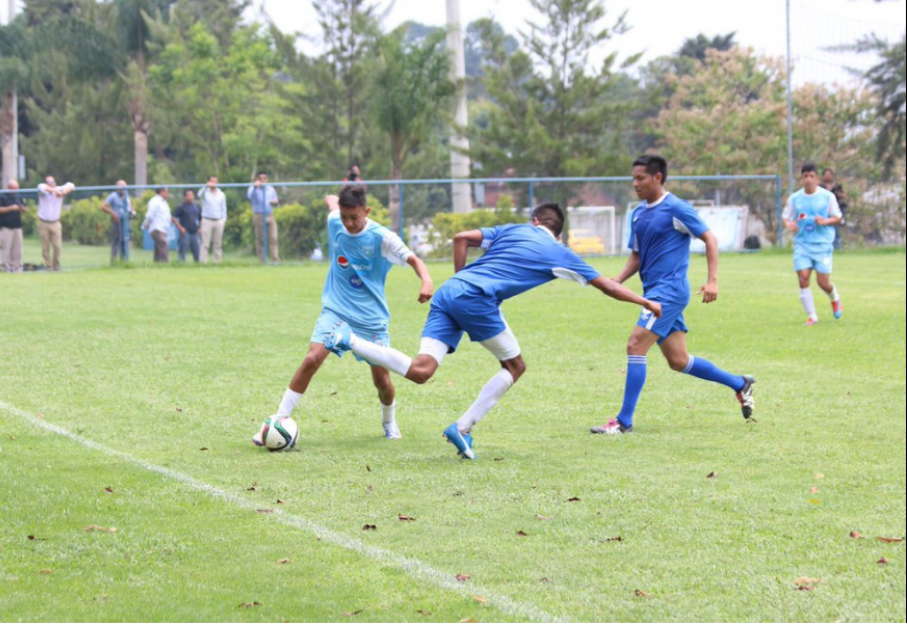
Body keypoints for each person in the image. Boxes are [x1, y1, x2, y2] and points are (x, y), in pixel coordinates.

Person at [323, 202, 661, 459]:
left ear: (535, 221)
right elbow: (608, 286)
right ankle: (462, 427)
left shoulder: (513, 229)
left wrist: (460, 277)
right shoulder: (559, 252)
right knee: (516, 367)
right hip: (475, 299)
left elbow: (461, 238)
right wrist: (646, 303)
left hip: (450, 292)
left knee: (421, 371)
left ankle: (350, 340)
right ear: (557, 232)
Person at [252, 185, 434, 447]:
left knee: (382, 380)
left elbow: (415, 260)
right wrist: (333, 200)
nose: (348, 223)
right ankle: (279, 419)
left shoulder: (383, 237)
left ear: (366, 211)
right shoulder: (335, 219)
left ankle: (389, 421)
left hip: (370, 319)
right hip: (336, 311)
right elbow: (331, 203)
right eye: (344, 216)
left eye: (354, 217)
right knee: (312, 359)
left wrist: (426, 281)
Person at [588, 155, 756, 436]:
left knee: (635, 345)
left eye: (640, 178)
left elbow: (710, 239)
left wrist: (712, 280)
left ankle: (623, 422)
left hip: (669, 292)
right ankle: (740, 383)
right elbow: (638, 256)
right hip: (654, 291)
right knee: (679, 361)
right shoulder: (638, 214)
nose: (635, 183)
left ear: (658, 178)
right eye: (634, 178)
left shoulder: (676, 208)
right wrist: (617, 279)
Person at [784, 162, 844, 325]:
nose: (809, 179)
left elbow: (838, 218)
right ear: (801, 178)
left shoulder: (827, 197)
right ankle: (812, 316)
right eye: (805, 176)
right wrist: (789, 224)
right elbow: (786, 217)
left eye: (812, 176)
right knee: (803, 278)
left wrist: (825, 221)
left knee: (823, 283)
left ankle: (834, 298)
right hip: (802, 244)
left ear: (817, 178)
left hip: (822, 245)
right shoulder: (795, 198)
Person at [36, 176, 73, 271]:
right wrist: (55, 191)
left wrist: (63, 193)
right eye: (48, 182)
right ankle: (49, 267)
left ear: (55, 183)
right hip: (43, 222)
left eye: (52, 182)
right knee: (45, 247)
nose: (51, 184)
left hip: (55, 223)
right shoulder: (43, 190)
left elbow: (71, 185)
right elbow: (41, 187)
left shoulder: (59, 189)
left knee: (57, 246)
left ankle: (56, 266)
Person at [247, 171, 279, 263]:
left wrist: (274, 203)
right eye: (260, 178)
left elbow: (276, 201)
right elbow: (250, 197)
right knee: (260, 239)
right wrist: (255, 187)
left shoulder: (271, 189)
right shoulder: (253, 188)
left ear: (267, 179)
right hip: (259, 215)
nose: (262, 180)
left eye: (264, 178)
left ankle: (275, 260)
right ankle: (262, 260)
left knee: (273, 238)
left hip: (270, 214)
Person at [0, 179, 26, 273]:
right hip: (5, 227)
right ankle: (5, 267)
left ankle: (16, 267)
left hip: (17, 226)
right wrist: (11, 208)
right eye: (14, 189)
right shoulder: (1, 196)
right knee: (6, 248)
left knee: (17, 248)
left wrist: (22, 209)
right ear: (9, 188)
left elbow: (23, 207)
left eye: (17, 189)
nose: (15, 191)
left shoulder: (18, 196)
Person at [101, 180, 135, 263]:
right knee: (116, 241)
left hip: (126, 221)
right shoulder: (113, 196)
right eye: (121, 187)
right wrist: (113, 214)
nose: (123, 189)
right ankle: (113, 262)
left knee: (125, 241)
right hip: (117, 221)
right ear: (117, 188)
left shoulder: (126, 196)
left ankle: (124, 261)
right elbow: (103, 207)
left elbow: (130, 207)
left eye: (124, 187)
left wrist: (132, 213)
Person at [198, 175, 227, 264]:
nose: (213, 183)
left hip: (218, 220)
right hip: (207, 220)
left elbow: (224, 208)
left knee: (217, 243)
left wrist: (223, 220)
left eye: (215, 181)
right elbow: (199, 195)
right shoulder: (205, 192)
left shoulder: (221, 194)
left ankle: (217, 262)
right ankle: (203, 262)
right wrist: (205, 187)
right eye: (212, 181)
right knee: (205, 243)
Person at [821, 167, 848, 250]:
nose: (828, 176)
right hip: (824, 211)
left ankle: (837, 248)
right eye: (826, 175)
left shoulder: (837, 186)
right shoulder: (820, 187)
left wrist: (838, 194)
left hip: (835, 211)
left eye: (829, 175)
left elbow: (843, 195)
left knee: (836, 231)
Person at [142, 187, 172, 263]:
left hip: (163, 229)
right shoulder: (155, 201)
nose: (167, 194)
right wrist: (145, 224)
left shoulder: (164, 202)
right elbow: (150, 215)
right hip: (157, 228)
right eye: (166, 192)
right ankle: (165, 263)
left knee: (159, 246)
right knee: (163, 243)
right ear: (161, 192)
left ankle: (157, 263)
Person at [173, 189, 202, 262]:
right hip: (185, 232)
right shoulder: (181, 207)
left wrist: (200, 228)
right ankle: (180, 263)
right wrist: (180, 228)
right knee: (182, 250)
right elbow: (173, 218)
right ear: (185, 197)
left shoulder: (197, 206)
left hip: (195, 232)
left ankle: (197, 264)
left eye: (191, 195)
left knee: (197, 250)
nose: (190, 197)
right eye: (188, 195)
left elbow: (201, 218)